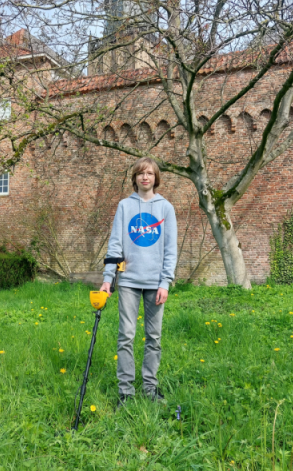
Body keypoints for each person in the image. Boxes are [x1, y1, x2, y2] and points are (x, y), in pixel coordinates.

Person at [100, 157, 177, 407]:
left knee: (153, 338)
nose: (145, 177)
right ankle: (126, 392)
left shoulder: (166, 208)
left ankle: (150, 388)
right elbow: (115, 244)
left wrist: (165, 282)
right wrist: (108, 279)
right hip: (129, 283)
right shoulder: (124, 206)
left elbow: (170, 250)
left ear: (156, 178)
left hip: (155, 283)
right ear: (134, 178)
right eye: (141, 174)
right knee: (126, 337)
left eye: (150, 174)